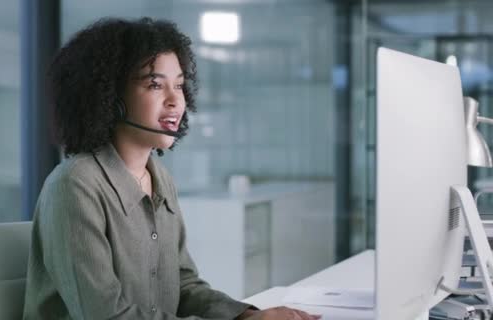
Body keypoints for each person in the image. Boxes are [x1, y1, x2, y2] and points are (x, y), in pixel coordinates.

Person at [22, 17, 319, 320]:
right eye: (154, 84)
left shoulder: (159, 180)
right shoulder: (75, 185)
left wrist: (248, 316)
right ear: (110, 96)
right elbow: (106, 315)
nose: (176, 101)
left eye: (178, 85)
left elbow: (185, 286)